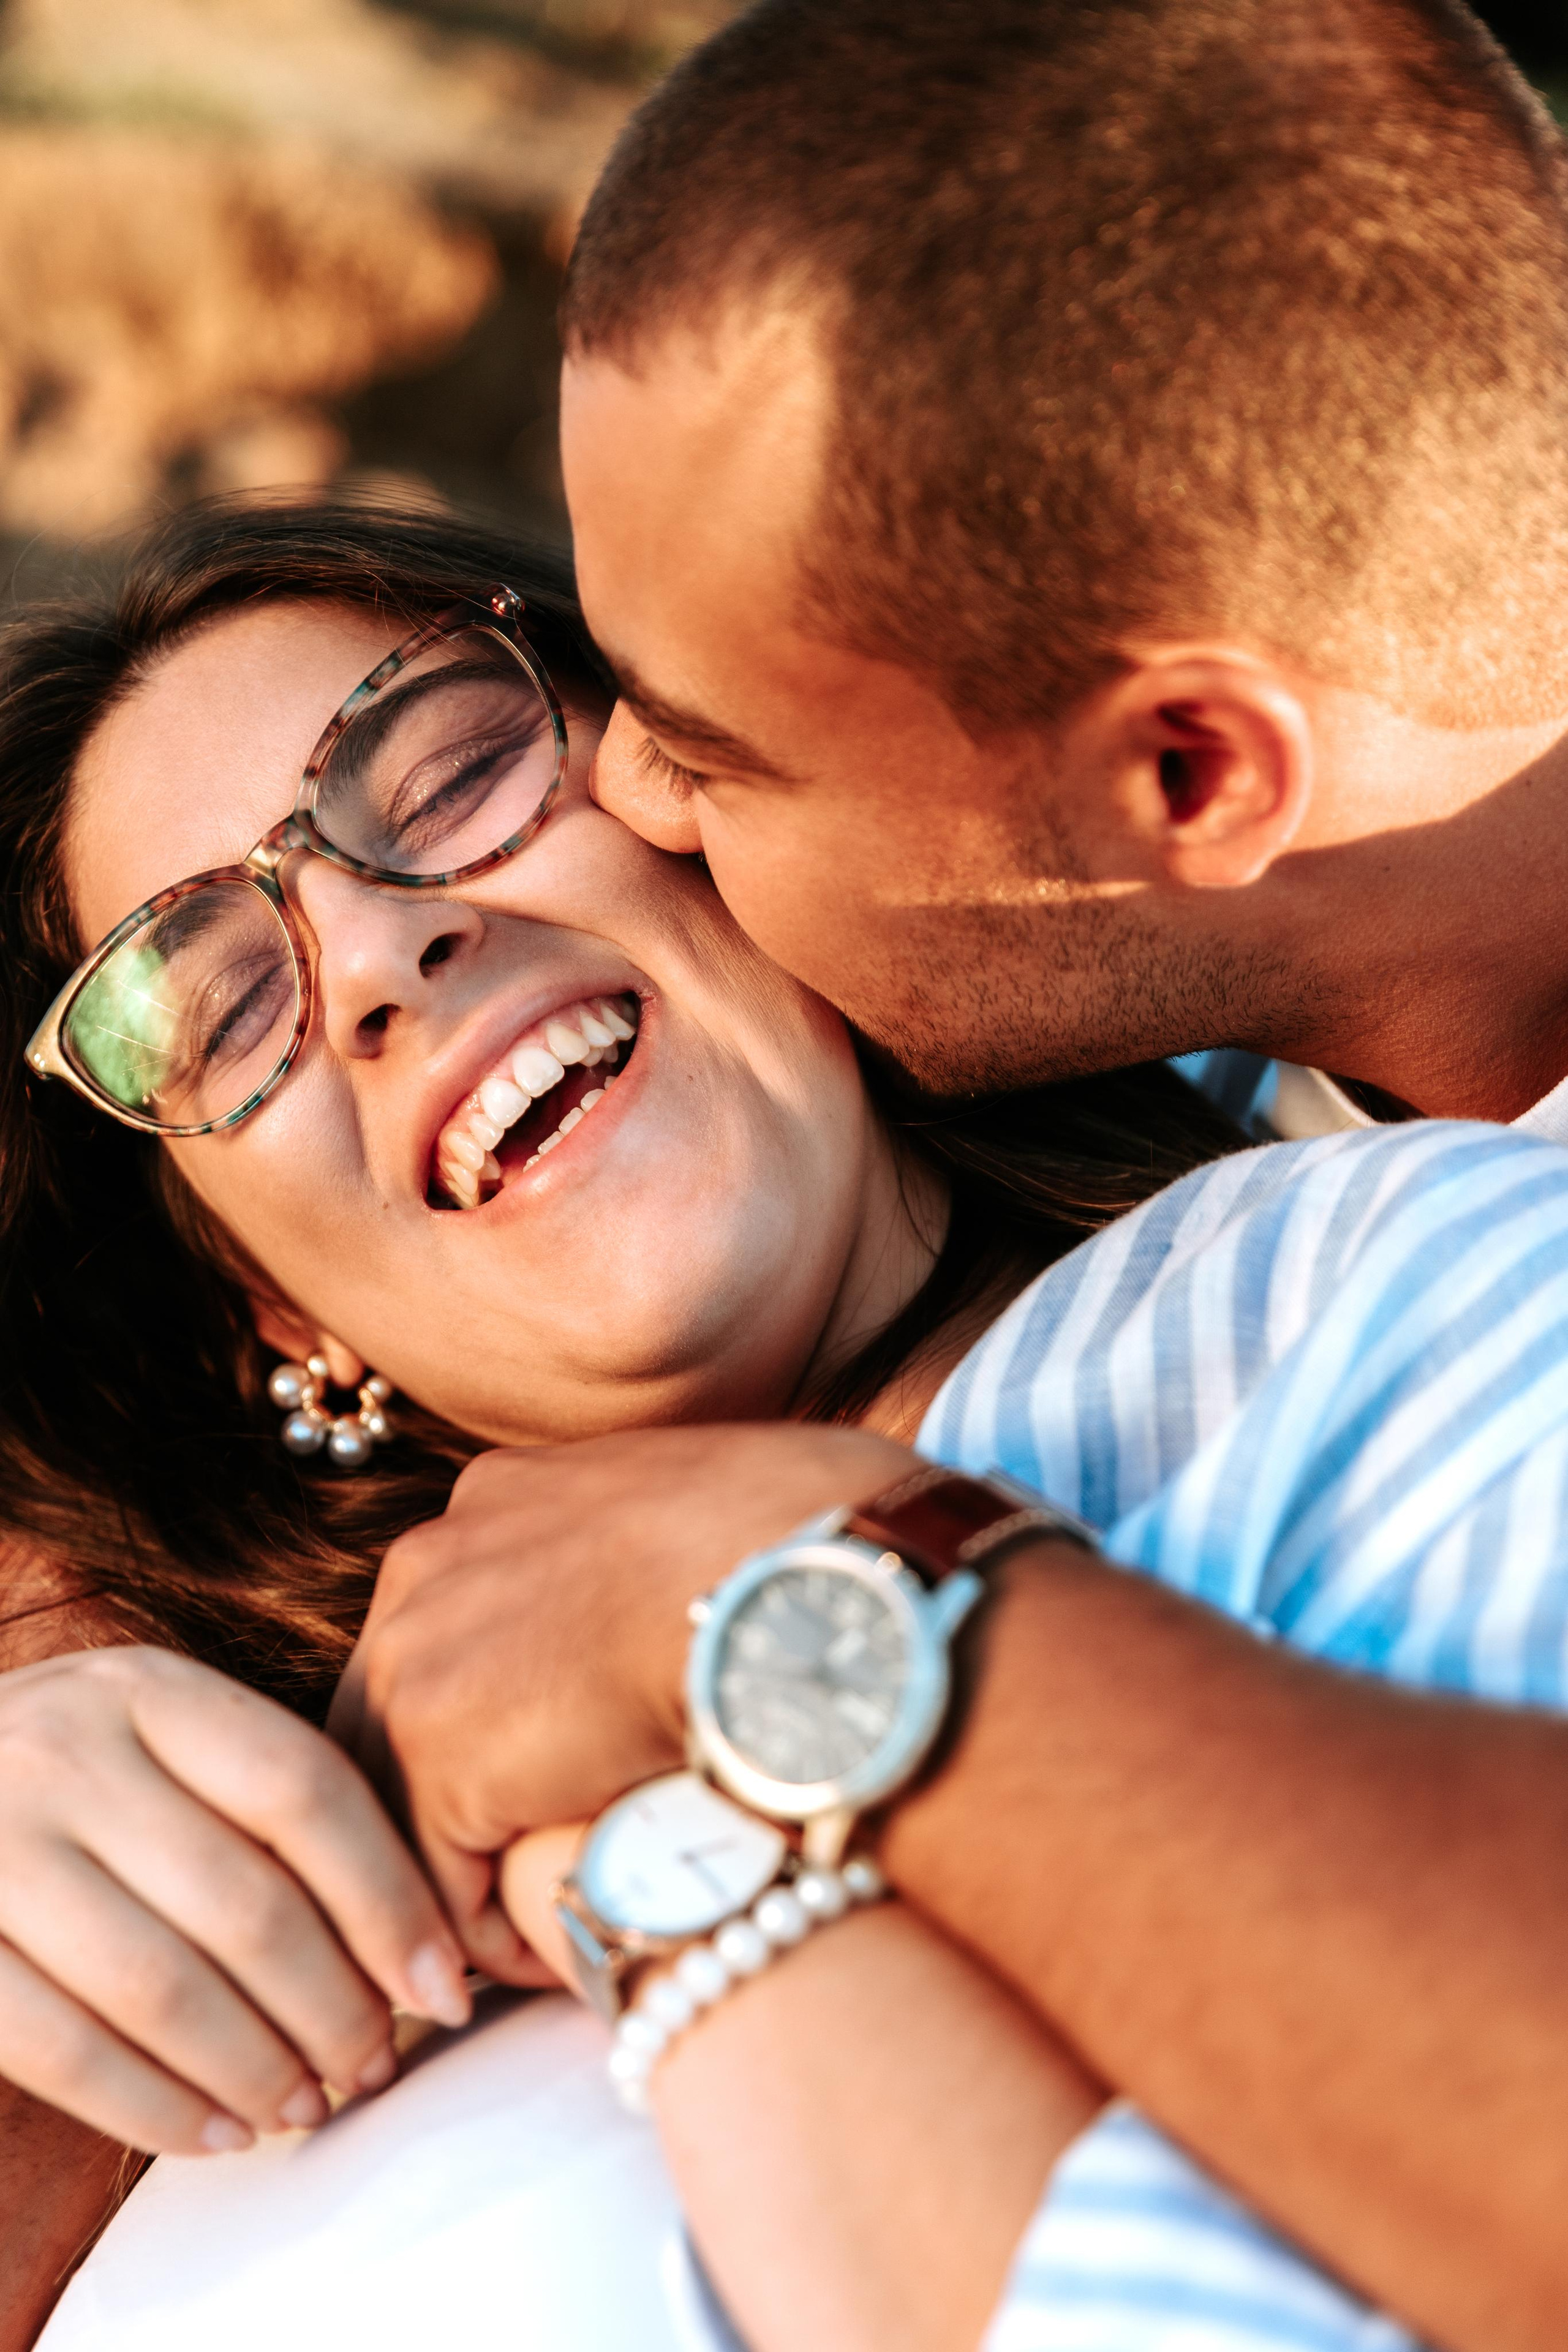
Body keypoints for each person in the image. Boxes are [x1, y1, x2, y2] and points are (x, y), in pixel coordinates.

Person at [333, 6, 1568, 2351]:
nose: (637, 803)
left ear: (1190, 778)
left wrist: (791, 1593)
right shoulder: (1265, 1001)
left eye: (715, 753)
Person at [0, 493, 1237, 2348]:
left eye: (448, 778)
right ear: (275, 1308)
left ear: (701, 788)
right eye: (224, 1009)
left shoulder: (1356, 1269)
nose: (377, 962)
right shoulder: (258, 1901)